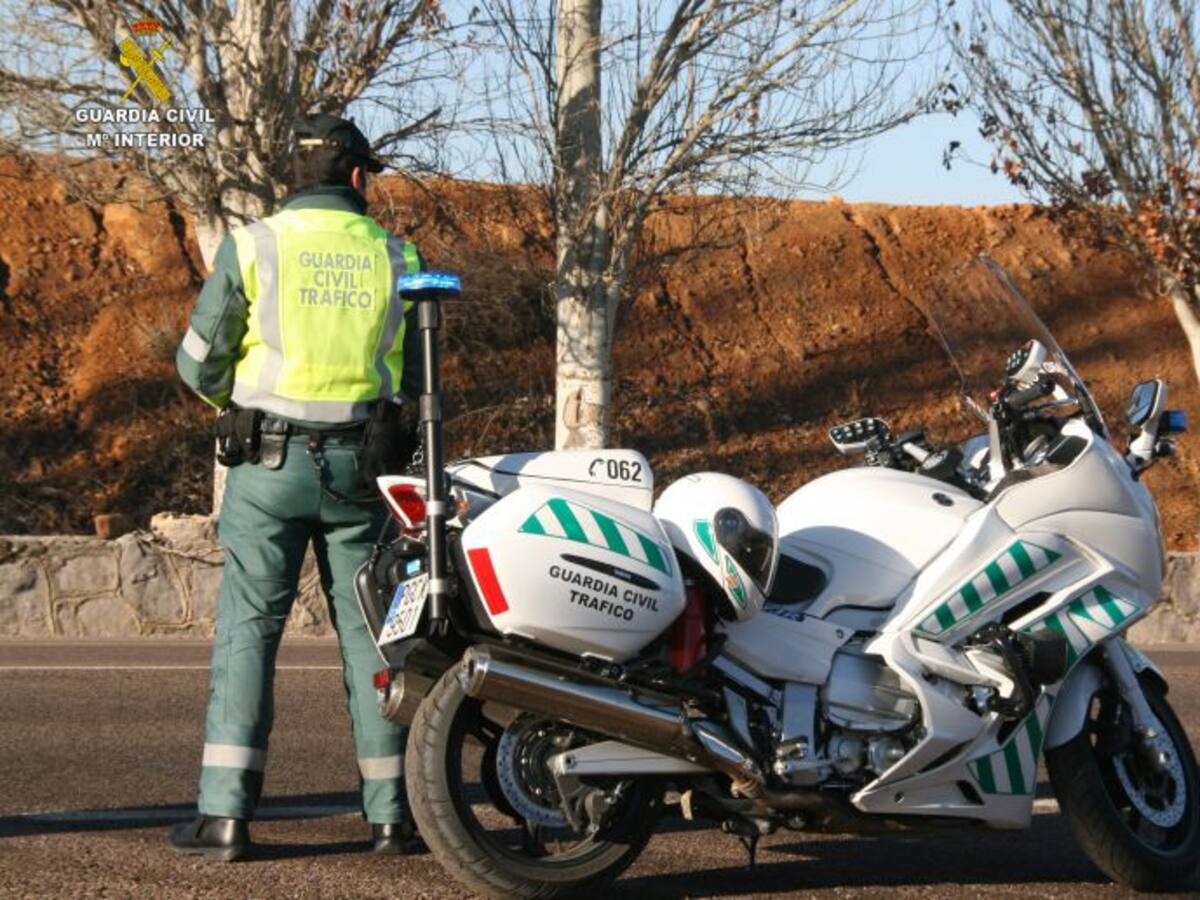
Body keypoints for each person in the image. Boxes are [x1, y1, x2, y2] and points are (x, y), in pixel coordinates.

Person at [169, 114, 425, 861]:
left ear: (295, 174)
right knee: (374, 634)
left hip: (267, 466)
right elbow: (414, 378)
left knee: (248, 632)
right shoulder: (398, 255)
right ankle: (391, 817)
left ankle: (225, 819)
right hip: (362, 472)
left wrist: (236, 405)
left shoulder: (254, 246)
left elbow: (197, 362)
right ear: (357, 176)